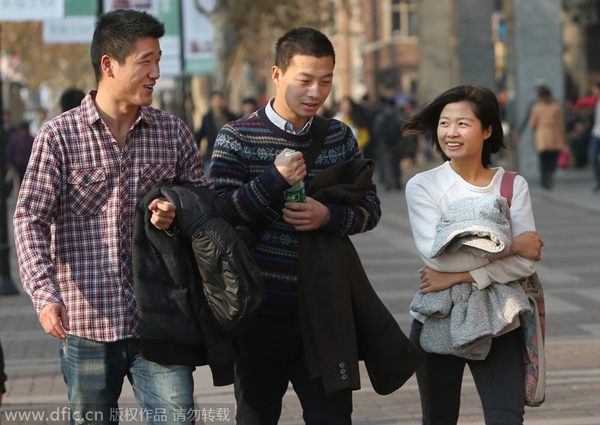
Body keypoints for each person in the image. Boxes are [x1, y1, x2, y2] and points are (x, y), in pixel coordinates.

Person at [13, 9, 210, 425]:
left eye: (159, 59)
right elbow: (29, 219)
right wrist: (44, 295)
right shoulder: (58, 137)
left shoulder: (172, 133)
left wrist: (179, 209)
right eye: (146, 60)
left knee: (179, 418)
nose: (156, 72)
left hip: (160, 317)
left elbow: (204, 203)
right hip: (86, 322)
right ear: (109, 64)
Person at [210, 27, 382, 424]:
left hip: (325, 312)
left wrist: (329, 217)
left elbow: (371, 207)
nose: (315, 92)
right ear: (277, 74)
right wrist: (273, 181)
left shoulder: (339, 136)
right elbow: (222, 213)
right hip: (258, 315)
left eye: (325, 81)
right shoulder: (237, 137)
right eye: (304, 80)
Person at [402, 85, 544, 425]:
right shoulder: (422, 185)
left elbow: (526, 263)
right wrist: (511, 245)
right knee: (439, 418)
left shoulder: (512, 185)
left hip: (502, 322)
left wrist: (461, 275)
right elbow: (438, 258)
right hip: (439, 320)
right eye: (444, 123)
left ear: (488, 130)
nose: (451, 132)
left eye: (463, 123)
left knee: (506, 418)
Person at [528, 85, 565, 189]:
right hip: (555, 134)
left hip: (542, 134)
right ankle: (549, 174)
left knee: (543, 159)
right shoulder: (556, 106)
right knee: (553, 158)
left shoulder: (537, 107)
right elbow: (561, 123)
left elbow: (532, 123)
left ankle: (544, 178)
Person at [194, 91, 237, 170]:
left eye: (220, 99)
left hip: (229, 155)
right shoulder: (207, 118)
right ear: (211, 102)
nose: (218, 102)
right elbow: (199, 135)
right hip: (212, 155)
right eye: (215, 100)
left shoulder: (231, 117)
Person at [371, 96, 404, 191]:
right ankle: (397, 182)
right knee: (397, 163)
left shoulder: (381, 115)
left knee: (387, 163)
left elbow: (376, 130)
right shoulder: (398, 114)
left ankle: (388, 183)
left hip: (384, 144)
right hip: (397, 143)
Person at [6, 122, 35, 187]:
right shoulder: (15, 139)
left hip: (27, 164)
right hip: (18, 163)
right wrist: (9, 161)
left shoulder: (31, 139)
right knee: (18, 180)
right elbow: (10, 150)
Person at [588, 81, 600, 192]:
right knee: (592, 156)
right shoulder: (596, 101)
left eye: (594, 89)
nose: (593, 91)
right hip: (596, 133)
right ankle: (598, 181)